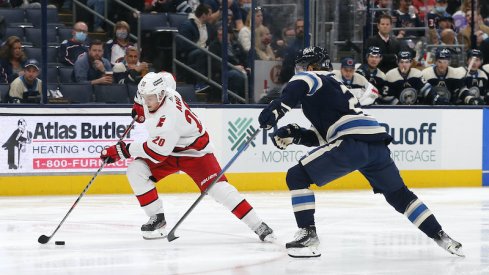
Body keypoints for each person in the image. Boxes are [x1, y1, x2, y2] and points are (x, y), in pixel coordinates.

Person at [258, 46, 464, 258]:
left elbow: (295, 90)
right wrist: (296, 135)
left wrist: (275, 110)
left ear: (311, 66)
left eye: (301, 66)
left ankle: (309, 237)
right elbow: (322, 136)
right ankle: (440, 235)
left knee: (297, 176)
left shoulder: (311, 78)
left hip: (352, 143)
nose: (299, 71)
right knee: (399, 195)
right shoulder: (333, 87)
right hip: (375, 144)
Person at [100, 71, 275, 241]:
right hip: (170, 148)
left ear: (161, 95)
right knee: (136, 170)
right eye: (143, 97)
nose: (146, 101)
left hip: (195, 152)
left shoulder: (168, 119)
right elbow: (167, 76)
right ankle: (157, 219)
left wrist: (121, 150)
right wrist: (139, 107)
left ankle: (258, 225)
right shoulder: (166, 89)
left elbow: (157, 153)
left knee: (220, 190)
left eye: (149, 98)